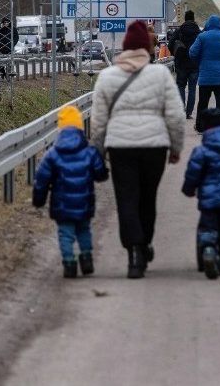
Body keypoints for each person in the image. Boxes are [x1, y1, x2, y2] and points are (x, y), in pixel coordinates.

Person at [91, 21, 185, 279]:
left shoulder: (107, 77)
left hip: (120, 148)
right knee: (147, 198)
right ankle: (144, 244)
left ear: (124, 48)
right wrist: (176, 147)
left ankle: (133, 250)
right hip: (155, 148)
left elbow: (98, 120)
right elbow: (175, 116)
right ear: (147, 47)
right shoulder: (160, 75)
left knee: (126, 198)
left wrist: (97, 151)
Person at [32, 106, 109, 278]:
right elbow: (100, 173)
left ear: (60, 129)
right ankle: (87, 258)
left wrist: (39, 199)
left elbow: (41, 180)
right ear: (80, 127)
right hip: (84, 203)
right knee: (84, 230)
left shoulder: (52, 155)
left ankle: (69, 263)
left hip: (62, 206)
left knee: (65, 234)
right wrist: (103, 173)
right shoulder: (89, 152)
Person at [182, 108, 220, 280]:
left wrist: (188, 189)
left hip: (209, 200)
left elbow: (192, 173)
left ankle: (209, 250)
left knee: (208, 226)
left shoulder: (201, 151)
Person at [189, 15, 220, 133]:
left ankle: (201, 127)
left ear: (208, 24)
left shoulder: (202, 37)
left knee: (203, 103)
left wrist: (199, 63)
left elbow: (192, 53)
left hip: (205, 77)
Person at [169, 10, 201, 120]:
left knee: (181, 87)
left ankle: (181, 109)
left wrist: (176, 54)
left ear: (185, 18)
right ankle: (189, 113)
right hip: (194, 64)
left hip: (181, 63)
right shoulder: (198, 32)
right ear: (193, 18)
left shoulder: (179, 30)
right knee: (192, 89)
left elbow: (170, 44)